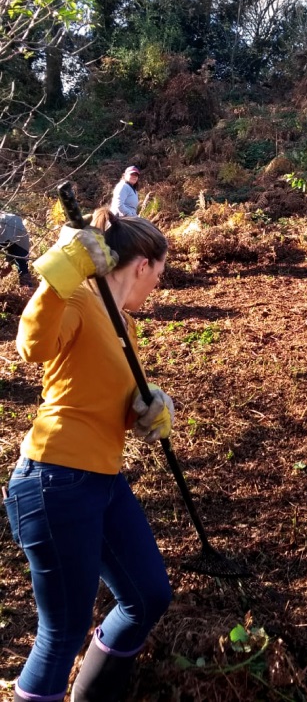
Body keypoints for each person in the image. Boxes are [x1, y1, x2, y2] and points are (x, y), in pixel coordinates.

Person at [3, 208, 174, 702]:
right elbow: (31, 346)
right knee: (62, 631)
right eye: (159, 275)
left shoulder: (123, 323)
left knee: (147, 595)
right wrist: (60, 270)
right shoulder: (77, 296)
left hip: (103, 480)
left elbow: (104, 397)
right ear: (141, 265)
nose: (156, 287)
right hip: (54, 479)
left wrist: (147, 409)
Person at [0, 212, 33, 287]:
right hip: (16, 234)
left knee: (21, 264)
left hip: (16, 235)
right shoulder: (11, 219)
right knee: (22, 264)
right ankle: (27, 287)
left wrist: (8, 262)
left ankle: (26, 288)